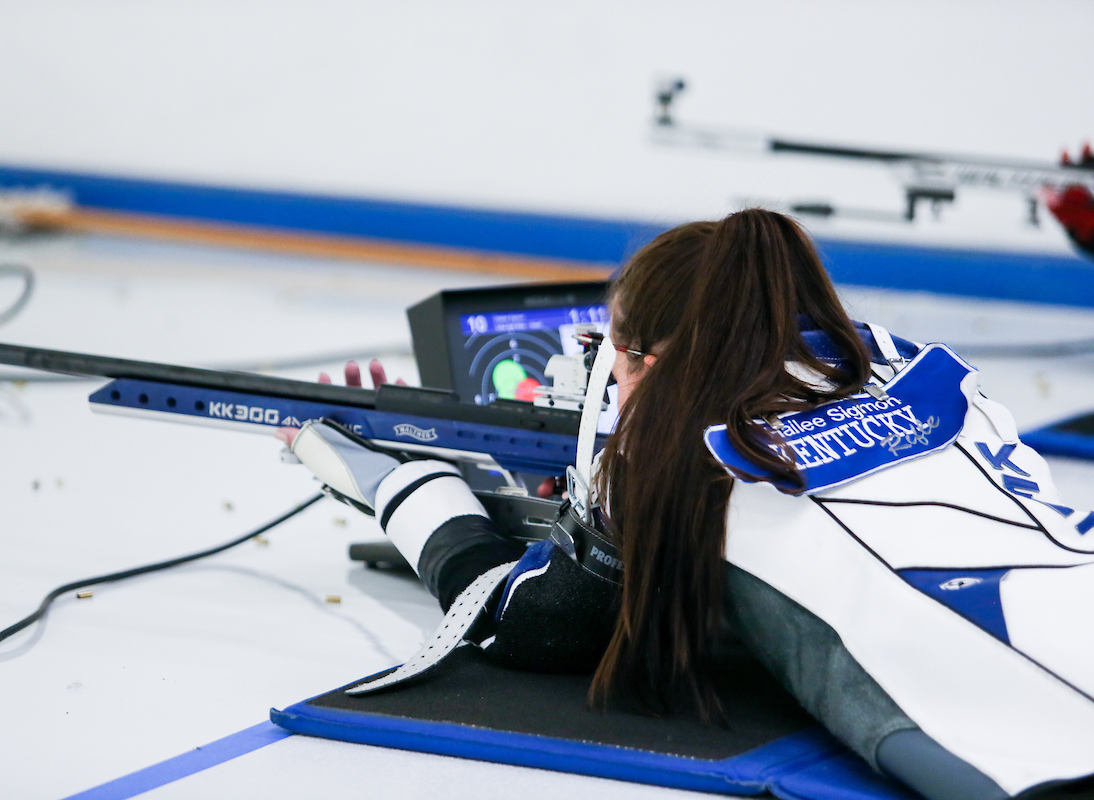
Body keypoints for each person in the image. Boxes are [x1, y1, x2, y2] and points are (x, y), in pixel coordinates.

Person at [285, 209, 1094, 800]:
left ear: (644, 356)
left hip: (1023, 736)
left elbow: (533, 624)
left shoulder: (675, 450)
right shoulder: (913, 363)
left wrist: (401, 483)